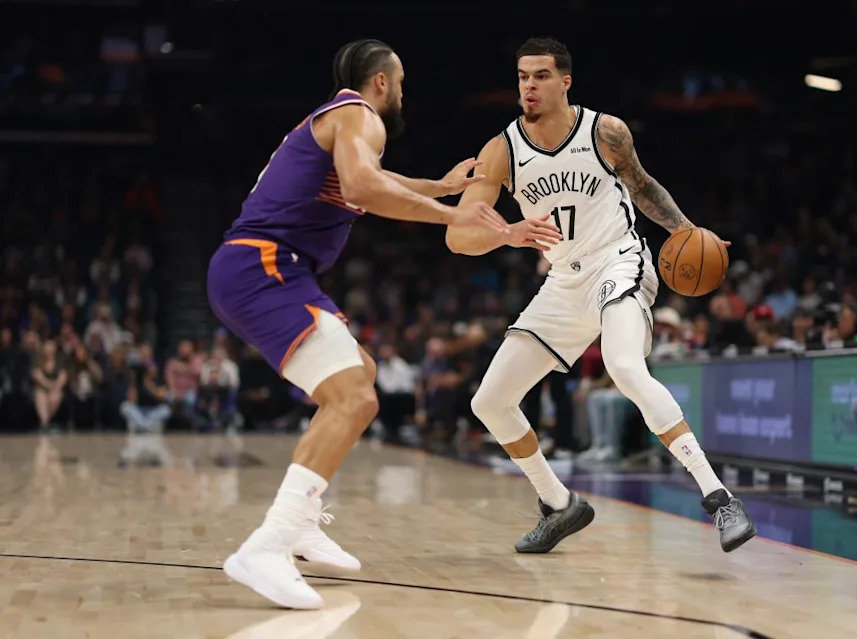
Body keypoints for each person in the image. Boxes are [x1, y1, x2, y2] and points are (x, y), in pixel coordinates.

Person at [207, 38, 509, 609]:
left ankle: (297, 525)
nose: (402, 92)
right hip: (263, 266)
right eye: (400, 82)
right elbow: (364, 186)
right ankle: (266, 547)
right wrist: (451, 213)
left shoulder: (343, 125)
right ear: (381, 83)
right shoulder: (361, 116)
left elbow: (372, 182)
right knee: (355, 399)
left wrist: (442, 187)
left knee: (360, 376)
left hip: (265, 268)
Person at [447, 37, 756, 554]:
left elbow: (643, 186)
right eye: (523, 76)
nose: (529, 85)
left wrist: (686, 230)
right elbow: (458, 235)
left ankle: (720, 497)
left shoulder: (604, 131)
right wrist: (507, 232)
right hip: (564, 281)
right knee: (490, 401)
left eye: (541, 75)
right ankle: (559, 504)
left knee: (627, 367)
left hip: (620, 260)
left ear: (565, 81)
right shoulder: (501, 150)